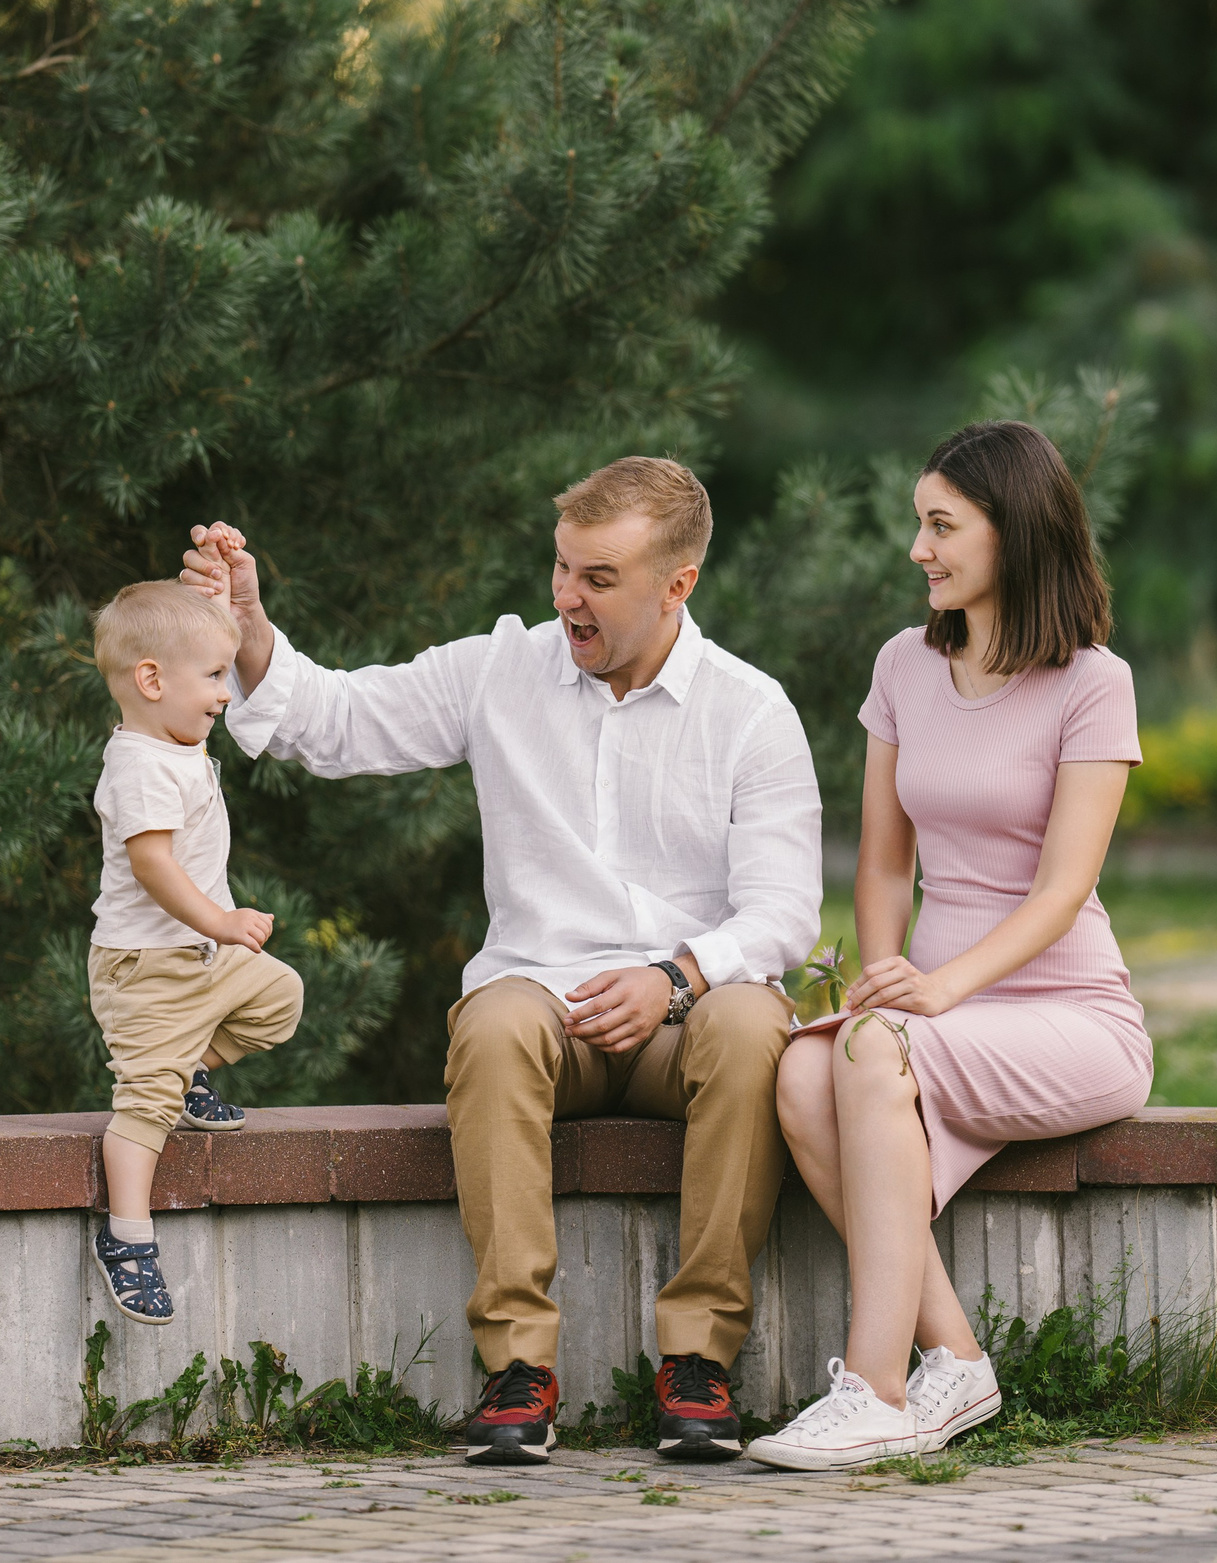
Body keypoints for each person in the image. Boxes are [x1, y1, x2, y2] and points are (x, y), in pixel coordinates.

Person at [181, 457, 821, 1466]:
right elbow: (338, 721)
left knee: (753, 1024)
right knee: (489, 1020)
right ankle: (518, 1371)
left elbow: (785, 911)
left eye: (598, 578)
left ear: (677, 585)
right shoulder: (499, 670)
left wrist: (676, 979)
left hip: (684, 1019)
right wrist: (251, 632)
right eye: (562, 569)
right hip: (542, 1013)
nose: (567, 597)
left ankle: (697, 1362)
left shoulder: (749, 710)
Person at [744, 420, 1152, 1472]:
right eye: (916, 524)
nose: (916, 549)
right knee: (801, 1069)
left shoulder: (1093, 682)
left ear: (1012, 534)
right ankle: (955, 1359)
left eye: (940, 525)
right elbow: (882, 866)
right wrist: (886, 984)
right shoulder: (903, 667)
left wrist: (933, 992)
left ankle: (875, 1388)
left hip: (1070, 1017)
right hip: (938, 1008)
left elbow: (1063, 891)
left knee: (865, 1048)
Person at [84, 580, 305, 1327]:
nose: (223, 692)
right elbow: (153, 865)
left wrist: (213, 595)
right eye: (213, 677)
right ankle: (128, 1237)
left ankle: (191, 1072)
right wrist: (220, 918)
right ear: (151, 681)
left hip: (200, 957)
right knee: (141, 1107)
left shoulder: (176, 742)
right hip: (147, 969)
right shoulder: (139, 764)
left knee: (279, 997)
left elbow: (184, 634)